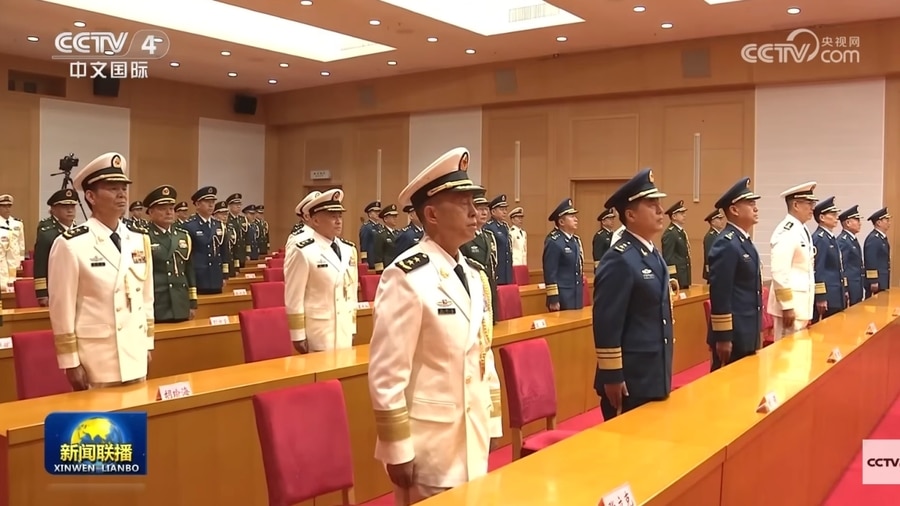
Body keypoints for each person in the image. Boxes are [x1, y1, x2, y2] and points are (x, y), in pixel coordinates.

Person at [368, 147, 501, 505]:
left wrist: (492, 421)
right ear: (431, 214)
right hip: (430, 446)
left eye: (474, 203)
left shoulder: (473, 274)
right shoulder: (406, 276)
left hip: (472, 435)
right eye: (462, 203)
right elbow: (387, 373)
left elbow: (483, 353)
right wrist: (397, 448)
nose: (475, 212)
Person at [48, 152, 154, 390]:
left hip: (135, 351)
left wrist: (147, 342)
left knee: (136, 412)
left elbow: (146, 298)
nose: (121, 194)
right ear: (91, 196)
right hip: (97, 357)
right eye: (112, 188)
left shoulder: (139, 239)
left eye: (124, 188)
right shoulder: (71, 243)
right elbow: (62, 307)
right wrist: (70, 361)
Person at [593, 168, 673, 420]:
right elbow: (607, 321)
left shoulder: (652, 253)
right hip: (630, 380)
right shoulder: (620, 259)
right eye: (652, 205)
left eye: (659, 204)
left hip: (654, 372)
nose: (661, 211)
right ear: (630, 214)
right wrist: (612, 375)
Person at [285, 189, 359, 353]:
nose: (338, 221)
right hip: (319, 330)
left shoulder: (349, 249)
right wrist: (298, 335)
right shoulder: (304, 251)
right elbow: (294, 296)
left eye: (340, 216)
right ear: (316, 220)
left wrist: (352, 326)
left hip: (344, 328)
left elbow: (351, 292)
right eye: (332, 217)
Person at [706, 178, 762, 371]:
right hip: (733, 335)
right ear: (734, 210)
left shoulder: (743, 241)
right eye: (750, 204)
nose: (756, 208)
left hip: (747, 329)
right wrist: (723, 336)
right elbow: (720, 293)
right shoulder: (726, 243)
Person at [767, 182, 817, 340]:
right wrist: (787, 305)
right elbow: (779, 271)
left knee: (800, 351)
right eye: (809, 203)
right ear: (796, 205)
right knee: (786, 352)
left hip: (801, 305)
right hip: (790, 308)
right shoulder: (786, 231)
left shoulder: (801, 228)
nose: (813, 208)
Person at [144, 185, 197, 323]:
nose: (168, 212)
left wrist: (192, 302)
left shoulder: (183, 236)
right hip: (157, 303)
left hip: (180, 303)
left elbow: (189, 270)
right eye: (162, 209)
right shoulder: (143, 236)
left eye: (171, 208)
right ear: (150, 212)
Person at [181, 187, 231, 294]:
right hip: (199, 277)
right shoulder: (189, 226)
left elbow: (224, 252)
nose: (211, 205)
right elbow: (187, 256)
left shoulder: (218, 225)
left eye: (213, 202)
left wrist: (225, 274)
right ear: (198, 204)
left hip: (216, 276)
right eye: (207, 202)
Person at [34, 189, 79, 305]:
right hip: (56, 287)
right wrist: (42, 293)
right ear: (53, 209)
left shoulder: (81, 231)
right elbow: (40, 264)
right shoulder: (47, 233)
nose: (69, 210)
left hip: (78, 287)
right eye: (64, 206)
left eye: (72, 206)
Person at [462, 190, 499, 323]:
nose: (484, 213)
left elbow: (493, 266)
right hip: (473, 292)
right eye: (480, 209)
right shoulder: (464, 237)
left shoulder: (489, 236)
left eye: (486, 209)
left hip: (489, 290)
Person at [542, 198, 584, 312]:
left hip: (575, 294)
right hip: (562, 296)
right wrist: (553, 299)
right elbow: (550, 272)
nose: (576, 219)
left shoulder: (574, 241)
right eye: (571, 216)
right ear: (561, 222)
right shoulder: (554, 242)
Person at [811, 197, 848, 323]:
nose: (836, 217)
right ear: (822, 217)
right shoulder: (820, 239)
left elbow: (839, 268)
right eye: (832, 214)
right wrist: (821, 296)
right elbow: (818, 269)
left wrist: (844, 289)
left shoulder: (830, 238)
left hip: (836, 293)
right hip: (828, 296)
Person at [837, 205, 866, 305]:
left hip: (857, 284)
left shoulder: (852, 240)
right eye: (857, 220)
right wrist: (845, 288)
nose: (860, 223)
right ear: (848, 223)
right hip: (850, 286)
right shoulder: (843, 241)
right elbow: (842, 266)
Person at [484, 195, 513, 285]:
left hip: (506, 271)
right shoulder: (489, 228)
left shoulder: (505, 226)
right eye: (501, 209)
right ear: (493, 211)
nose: (505, 212)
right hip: (497, 272)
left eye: (505, 209)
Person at [662, 200, 691, 289]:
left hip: (684, 275)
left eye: (684, 213)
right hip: (677, 277)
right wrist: (672, 278)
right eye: (681, 214)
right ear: (674, 216)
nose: (684, 215)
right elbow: (668, 258)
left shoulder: (680, 232)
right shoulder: (670, 233)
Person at [864, 207, 891, 297]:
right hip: (877, 282)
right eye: (886, 220)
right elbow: (871, 260)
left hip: (882, 279)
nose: (889, 223)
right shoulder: (873, 238)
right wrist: (873, 280)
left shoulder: (881, 238)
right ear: (879, 223)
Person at [0, 195, 25, 278]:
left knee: (13, 282)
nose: (7, 209)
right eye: (4, 206)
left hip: (14, 260)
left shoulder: (18, 223)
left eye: (9, 206)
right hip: (1, 261)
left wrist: (21, 260)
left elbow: (21, 243)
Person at [373, 204, 401, 273]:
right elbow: (378, 255)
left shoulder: (398, 233)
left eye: (396, 216)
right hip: (387, 269)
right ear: (385, 219)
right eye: (393, 217)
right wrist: (379, 272)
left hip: (397, 268)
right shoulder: (381, 235)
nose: (395, 219)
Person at [213, 201, 238, 277]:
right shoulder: (213, 229)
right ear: (215, 215)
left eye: (226, 214)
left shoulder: (230, 229)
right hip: (218, 265)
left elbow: (235, 249)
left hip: (230, 264)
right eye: (222, 214)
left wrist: (236, 267)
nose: (225, 216)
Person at [702, 209, 726, 283]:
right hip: (714, 272)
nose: (722, 221)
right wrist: (710, 272)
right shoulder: (710, 236)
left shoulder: (719, 235)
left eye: (722, 219)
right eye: (719, 219)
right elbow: (709, 256)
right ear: (712, 222)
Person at [226, 193, 249, 269]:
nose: (238, 206)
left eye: (239, 204)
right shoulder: (227, 219)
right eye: (236, 204)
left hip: (242, 253)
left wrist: (247, 253)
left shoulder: (242, 219)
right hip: (232, 254)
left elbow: (246, 237)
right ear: (230, 206)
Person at [360, 201, 383, 272]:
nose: (378, 213)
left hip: (380, 261)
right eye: (375, 212)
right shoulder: (366, 227)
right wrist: (364, 261)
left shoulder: (380, 227)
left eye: (378, 211)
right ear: (370, 214)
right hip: (371, 261)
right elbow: (363, 245)